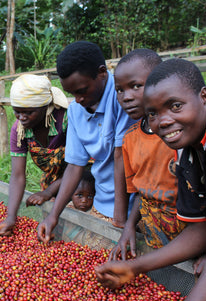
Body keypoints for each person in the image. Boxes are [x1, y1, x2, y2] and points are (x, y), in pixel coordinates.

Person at [95, 58, 206, 301]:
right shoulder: (189, 154)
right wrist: (135, 266)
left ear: (204, 97)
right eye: (152, 113)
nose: (162, 121)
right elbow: (202, 227)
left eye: (175, 106)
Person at [37, 41, 136, 243]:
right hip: (101, 200)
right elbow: (75, 165)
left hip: (131, 206)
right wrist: (53, 215)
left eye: (82, 90)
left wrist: (119, 217)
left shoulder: (123, 99)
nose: (78, 99)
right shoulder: (75, 111)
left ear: (102, 73)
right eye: (72, 93)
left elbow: (121, 158)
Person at [110, 49, 186, 261]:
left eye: (136, 86)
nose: (126, 97)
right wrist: (128, 228)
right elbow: (141, 195)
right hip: (154, 232)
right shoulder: (130, 139)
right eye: (119, 90)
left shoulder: (181, 134)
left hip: (191, 234)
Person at [0, 74, 69, 236]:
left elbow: (80, 167)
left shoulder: (65, 119)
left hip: (81, 185)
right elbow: (17, 175)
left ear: (44, 107)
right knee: (53, 234)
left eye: (28, 112)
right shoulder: (20, 130)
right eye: (17, 112)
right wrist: (11, 217)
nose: (21, 118)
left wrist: (48, 192)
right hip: (51, 184)